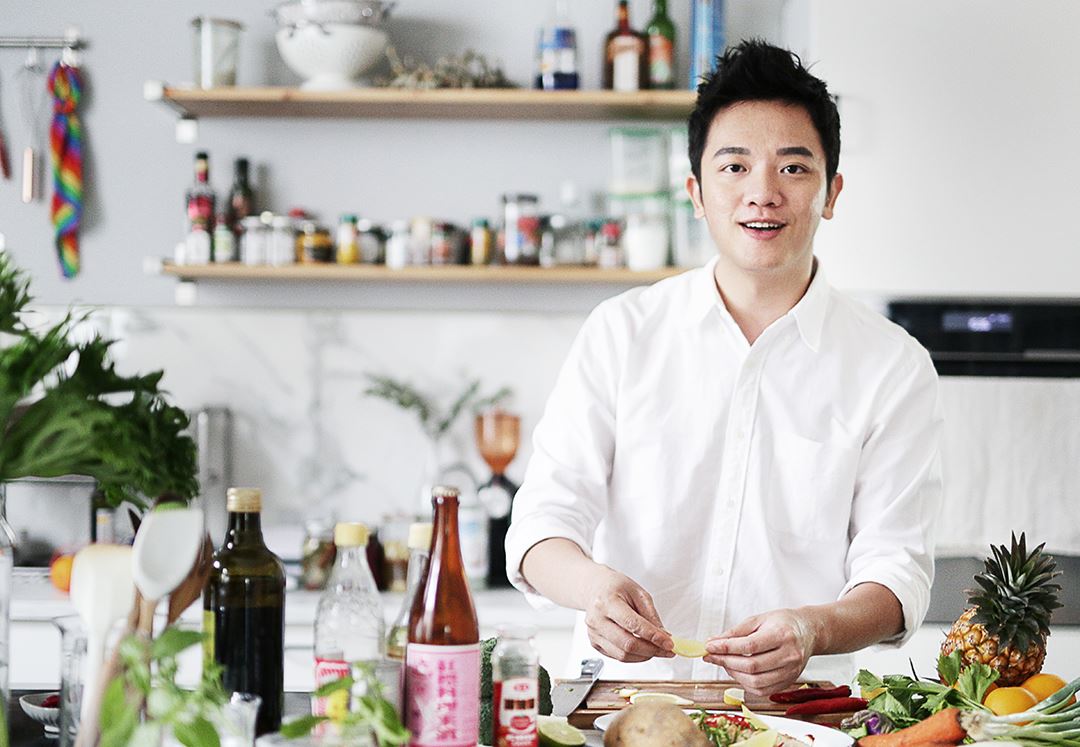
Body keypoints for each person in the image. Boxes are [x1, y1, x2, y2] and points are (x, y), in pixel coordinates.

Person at [504, 39, 943, 694]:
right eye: (735, 166)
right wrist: (593, 589)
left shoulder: (892, 366)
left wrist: (814, 629)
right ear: (697, 193)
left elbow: (897, 572)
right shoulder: (621, 332)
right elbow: (542, 525)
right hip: (622, 703)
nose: (762, 193)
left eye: (793, 168)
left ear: (831, 192)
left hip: (796, 714)